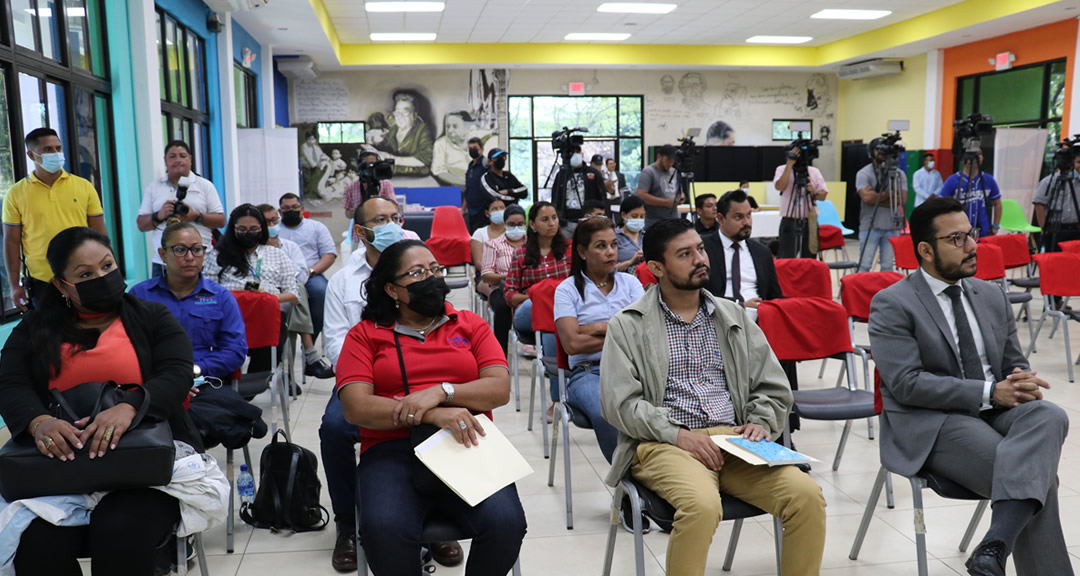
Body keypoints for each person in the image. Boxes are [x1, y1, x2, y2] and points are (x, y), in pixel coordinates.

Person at [599, 218, 826, 576]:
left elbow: (772, 385)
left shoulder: (732, 315)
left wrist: (759, 420)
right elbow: (620, 404)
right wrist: (679, 435)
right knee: (702, 506)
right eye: (685, 254)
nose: (699, 259)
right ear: (656, 268)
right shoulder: (628, 325)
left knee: (806, 496)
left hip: (734, 439)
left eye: (700, 250)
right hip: (665, 442)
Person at [868, 197, 1071, 576]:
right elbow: (906, 384)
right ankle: (999, 547)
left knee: (1049, 414)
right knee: (1037, 479)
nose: (973, 245)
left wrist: (1020, 379)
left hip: (994, 413)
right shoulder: (893, 303)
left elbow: (1013, 362)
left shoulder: (990, 294)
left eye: (972, 233)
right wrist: (990, 392)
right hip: (931, 421)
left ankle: (993, 547)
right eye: (957, 238)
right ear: (926, 251)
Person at [0, 226, 202, 576]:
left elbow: (177, 373)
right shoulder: (34, 328)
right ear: (62, 286)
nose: (102, 277)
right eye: (85, 275)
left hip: (141, 469)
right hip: (60, 470)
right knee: (35, 542)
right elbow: (10, 381)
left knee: (119, 530)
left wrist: (130, 406)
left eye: (107, 266)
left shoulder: (152, 318)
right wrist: (39, 422)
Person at [336, 239, 527, 576]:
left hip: (468, 443)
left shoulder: (470, 324)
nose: (433, 278)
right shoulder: (365, 335)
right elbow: (356, 407)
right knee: (383, 529)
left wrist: (443, 392)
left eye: (436, 269)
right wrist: (433, 414)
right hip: (391, 449)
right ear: (392, 290)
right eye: (419, 272)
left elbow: (499, 389)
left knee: (506, 523)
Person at [322, 196, 464, 571]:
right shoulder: (342, 281)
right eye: (380, 220)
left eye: (394, 217)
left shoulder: (419, 266)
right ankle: (347, 527)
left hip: (423, 379)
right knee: (336, 427)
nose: (391, 224)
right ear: (362, 232)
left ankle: (437, 520)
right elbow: (335, 341)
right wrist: (364, 376)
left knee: (441, 413)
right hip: (365, 380)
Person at [554, 216, 644, 463]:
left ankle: (654, 473)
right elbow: (572, 344)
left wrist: (593, 328)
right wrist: (622, 331)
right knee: (607, 411)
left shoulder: (631, 284)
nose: (611, 252)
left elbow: (645, 334)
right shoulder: (567, 290)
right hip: (588, 373)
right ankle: (628, 482)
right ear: (582, 251)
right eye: (601, 246)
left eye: (614, 244)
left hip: (634, 370)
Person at [4, 127, 109, 311]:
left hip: (85, 277)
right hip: (43, 282)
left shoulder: (84, 186)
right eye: (47, 149)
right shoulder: (16, 194)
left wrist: (108, 271)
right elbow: (12, 242)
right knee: (50, 337)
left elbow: (100, 233)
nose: (56, 153)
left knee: (91, 332)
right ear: (31, 155)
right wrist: (14, 285)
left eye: (58, 148)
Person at [129, 220, 247, 382]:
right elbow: (127, 345)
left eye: (197, 250)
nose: (190, 257)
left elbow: (235, 350)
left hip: (205, 382)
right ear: (163, 255)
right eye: (180, 250)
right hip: (154, 382)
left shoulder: (221, 297)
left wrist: (196, 369)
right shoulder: (140, 295)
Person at [260, 204, 334, 379]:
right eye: (267, 222)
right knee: (297, 294)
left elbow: (302, 275)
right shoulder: (255, 250)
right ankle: (310, 354)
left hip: (288, 292)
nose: (272, 225)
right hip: (267, 296)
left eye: (274, 220)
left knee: (303, 290)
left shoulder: (291, 247)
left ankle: (290, 373)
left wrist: (278, 256)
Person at [136, 140, 226, 278]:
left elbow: (221, 221)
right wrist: (159, 215)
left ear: (190, 159)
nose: (178, 160)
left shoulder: (204, 186)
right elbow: (141, 224)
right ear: (165, 160)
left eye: (182, 156)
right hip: (163, 264)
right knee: (160, 300)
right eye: (172, 156)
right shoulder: (154, 188)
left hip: (202, 262)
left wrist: (196, 216)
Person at [702, 190, 782, 322]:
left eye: (749, 215)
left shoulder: (762, 252)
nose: (747, 222)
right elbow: (697, 294)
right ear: (721, 219)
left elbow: (774, 296)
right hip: (717, 320)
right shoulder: (703, 248)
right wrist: (740, 305)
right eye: (738, 217)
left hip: (758, 323)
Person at [277, 193, 337, 346]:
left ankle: (311, 338)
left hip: (312, 274)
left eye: (294, 207)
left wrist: (310, 272)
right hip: (280, 277)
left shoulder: (317, 227)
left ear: (302, 208)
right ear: (280, 211)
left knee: (320, 291)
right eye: (286, 208)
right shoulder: (274, 231)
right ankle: (281, 344)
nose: (291, 211)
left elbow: (329, 254)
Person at [480, 204, 528, 354]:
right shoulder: (494, 245)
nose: (516, 228)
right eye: (511, 225)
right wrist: (510, 276)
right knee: (502, 307)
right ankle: (500, 354)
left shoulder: (533, 245)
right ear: (505, 224)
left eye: (520, 224)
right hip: (501, 288)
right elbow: (486, 274)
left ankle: (539, 348)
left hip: (527, 288)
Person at [855, 149, 908, 273]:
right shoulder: (864, 173)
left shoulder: (898, 174)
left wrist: (876, 196)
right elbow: (867, 198)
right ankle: (860, 291)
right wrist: (891, 194)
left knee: (888, 267)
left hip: (892, 226)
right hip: (870, 226)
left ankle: (885, 292)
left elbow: (902, 200)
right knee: (864, 265)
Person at [773, 144, 828, 259]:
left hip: (810, 221)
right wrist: (789, 165)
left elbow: (823, 196)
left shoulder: (814, 172)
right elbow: (780, 186)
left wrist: (814, 192)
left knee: (809, 259)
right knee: (786, 258)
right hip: (789, 220)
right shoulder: (781, 169)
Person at [940, 149, 1002, 239]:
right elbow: (941, 206)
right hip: (960, 232)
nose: (978, 157)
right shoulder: (952, 180)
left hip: (983, 232)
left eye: (980, 154)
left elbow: (997, 203)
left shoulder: (989, 180)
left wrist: (996, 226)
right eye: (974, 154)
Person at [373, 91, 434, 178]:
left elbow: (424, 160)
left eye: (405, 112)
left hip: (415, 179)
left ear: (415, 115)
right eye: (397, 112)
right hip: (393, 176)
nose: (400, 116)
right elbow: (383, 148)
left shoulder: (423, 130)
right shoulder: (394, 129)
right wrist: (372, 149)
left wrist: (391, 159)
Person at [342, 150, 397, 237]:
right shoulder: (352, 187)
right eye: (367, 164)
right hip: (359, 235)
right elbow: (347, 213)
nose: (371, 167)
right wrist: (354, 212)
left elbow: (396, 208)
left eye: (374, 164)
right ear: (360, 166)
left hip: (384, 234)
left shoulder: (385, 184)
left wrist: (384, 202)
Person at [1033, 154, 1080, 252]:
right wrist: (1044, 228)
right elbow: (1039, 204)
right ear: (1071, 163)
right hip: (1055, 229)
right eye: (1079, 162)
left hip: (1076, 229)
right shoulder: (1050, 181)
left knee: (1075, 264)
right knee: (1056, 263)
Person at [551, 145, 605, 230]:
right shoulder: (562, 174)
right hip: (566, 220)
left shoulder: (593, 173)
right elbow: (555, 196)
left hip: (588, 219)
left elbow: (601, 196)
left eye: (577, 152)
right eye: (572, 153)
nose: (575, 155)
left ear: (582, 154)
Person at [637, 144, 681, 228]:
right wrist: (665, 202)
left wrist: (680, 198)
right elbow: (641, 195)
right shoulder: (648, 172)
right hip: (654, 221)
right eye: (668, 160)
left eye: (672, 161)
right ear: (659, 156)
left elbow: (679, 191)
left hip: (672, 219)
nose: (670, 164)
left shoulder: (674, 172)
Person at [471, 197, 505, 298]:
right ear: (487, 213)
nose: (499, 211)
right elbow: (478, 262)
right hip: (485, 277)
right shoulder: (479, 233)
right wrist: (495, 275)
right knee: (496, 294)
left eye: (502, 208)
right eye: (495, 209)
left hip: (511, 276)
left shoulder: (513, 233)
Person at [431, 111, 473, 187]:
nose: (450, 130)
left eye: (455, 126)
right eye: (447, 126)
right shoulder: (441, 144)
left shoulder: (478, 139)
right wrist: (465, 183)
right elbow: (439, 172)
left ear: (467, 127)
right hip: (456, 186)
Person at [464, 136, 490, 233]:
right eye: (470, 149)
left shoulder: (485, 164)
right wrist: (463, 209)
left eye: (475, 148)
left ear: (482, 149)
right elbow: (468, 189)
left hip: (482, 210)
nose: (472, 151)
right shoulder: (470, 166)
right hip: (471, 211)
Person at [615, 195, 646, 273]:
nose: (639, 219)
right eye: (634, 216)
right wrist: (631, 262)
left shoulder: (647, 236)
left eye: (642, 216)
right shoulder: (614, 237)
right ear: (623, 215)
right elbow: (608, 269)